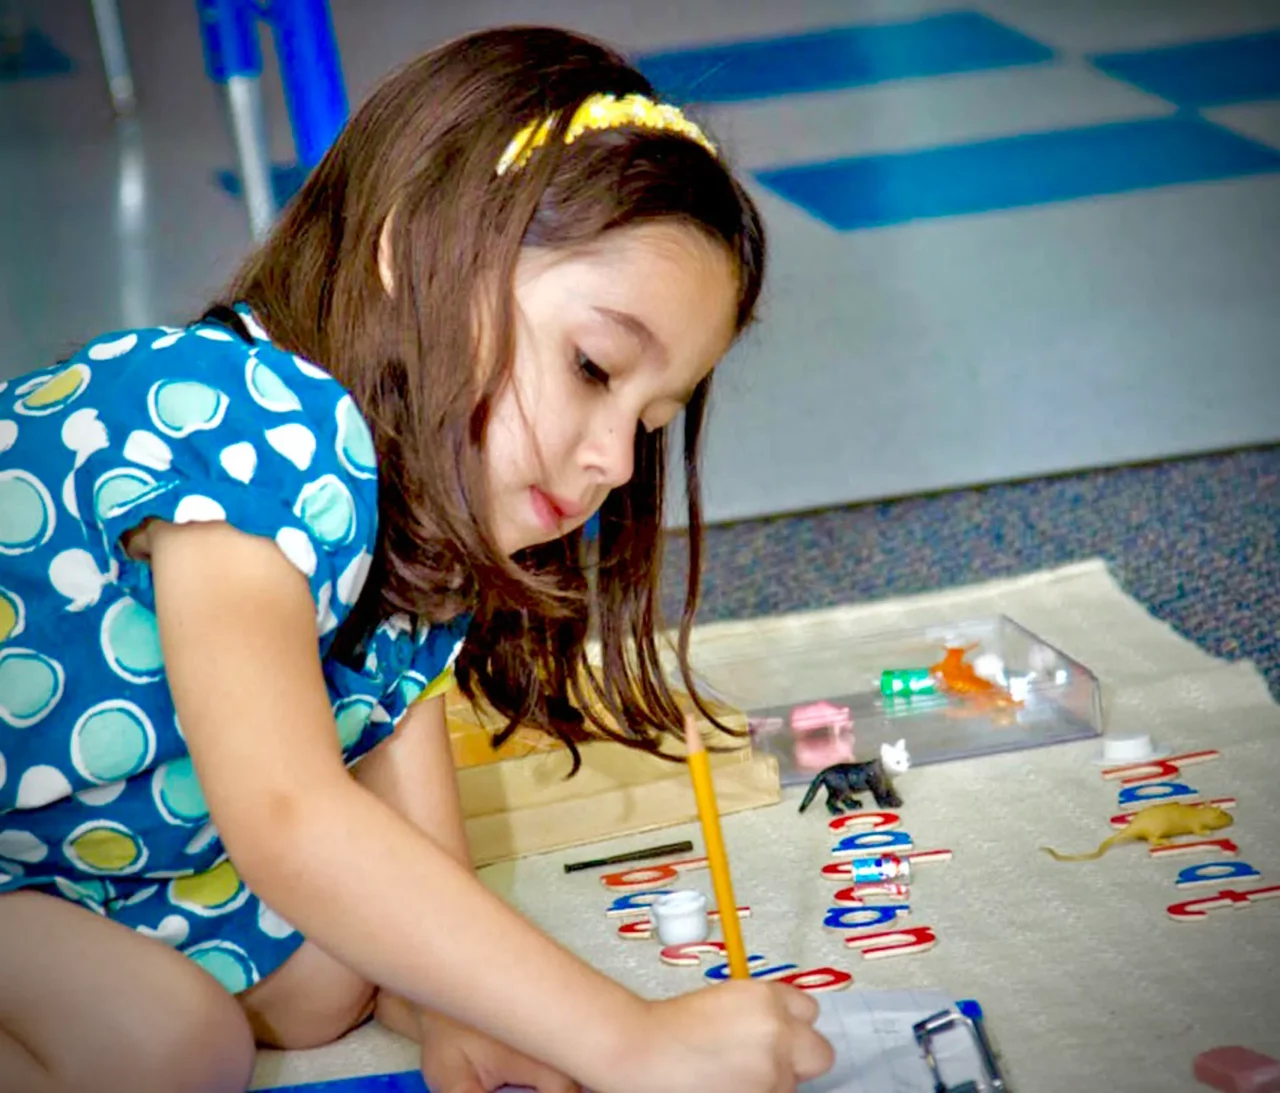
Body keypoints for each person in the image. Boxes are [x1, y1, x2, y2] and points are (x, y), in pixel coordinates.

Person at [0, 25, 834, 1093]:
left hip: (54, 847)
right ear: (416, 249)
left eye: (650, 420)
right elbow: (293, 816)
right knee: (169, 1042)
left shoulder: (421, 510)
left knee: (330, 979)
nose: (615, 461)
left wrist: (459, 1007)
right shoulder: (255, 421)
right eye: (592, 366)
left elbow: (402, 795)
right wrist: (626, 1039)